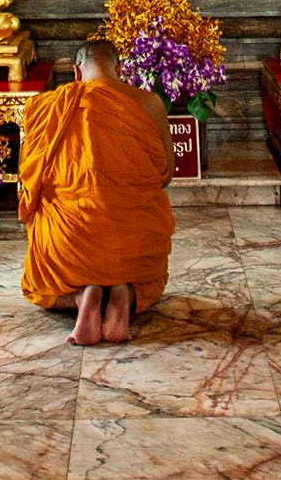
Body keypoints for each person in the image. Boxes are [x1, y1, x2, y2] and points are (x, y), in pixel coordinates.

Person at [18, 39, 176, 346]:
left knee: (40, 287)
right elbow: (166, 174)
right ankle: (124, 294)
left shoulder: (47, 106)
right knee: (152, 282)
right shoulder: (149, 103)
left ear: (77, 72)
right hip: (133, 247)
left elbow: (28, 177)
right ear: (120, 69)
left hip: (68, 247)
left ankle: (82, 294)